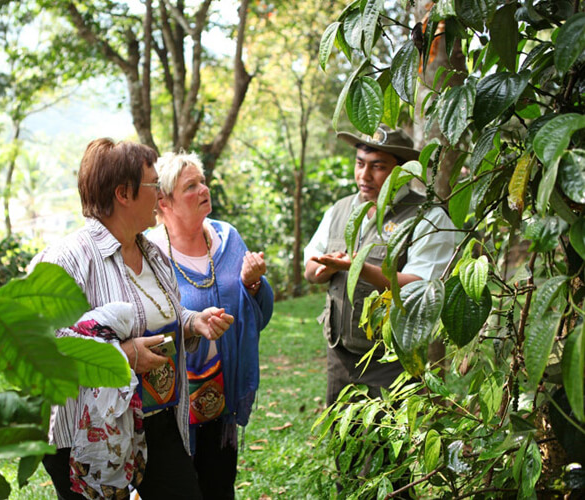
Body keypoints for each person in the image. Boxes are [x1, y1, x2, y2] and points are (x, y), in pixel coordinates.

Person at [32, 139, 234, 499]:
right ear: (124, 193)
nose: (160, 195)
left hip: (157, 421)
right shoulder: (68, 259)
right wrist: (121, 356)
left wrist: (192, 321)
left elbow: (158, 313)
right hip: (89, 434)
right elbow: (37, 345)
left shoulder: (153, 252)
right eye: (153, 185)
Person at [147, 151, 274, 500]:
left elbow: (258, 315)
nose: (204, 189)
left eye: (202, 181)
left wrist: (253, 284)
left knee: (219, 486)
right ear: (163, 202)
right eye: (191, 186)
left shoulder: (228, 239)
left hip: (222, 395)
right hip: (173, 403)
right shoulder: (150, 253)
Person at [304, 125, 455, 405]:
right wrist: (324, 269)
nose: (364, 175)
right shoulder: (340, 210)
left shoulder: (427, 217)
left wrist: (358, 267)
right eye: (360, 164)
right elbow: (310, 267)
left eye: (378, 166)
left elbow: (422, 286)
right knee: (343, 443)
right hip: (340, 356)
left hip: (392, 361)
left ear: (402, 171)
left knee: (387, 443)